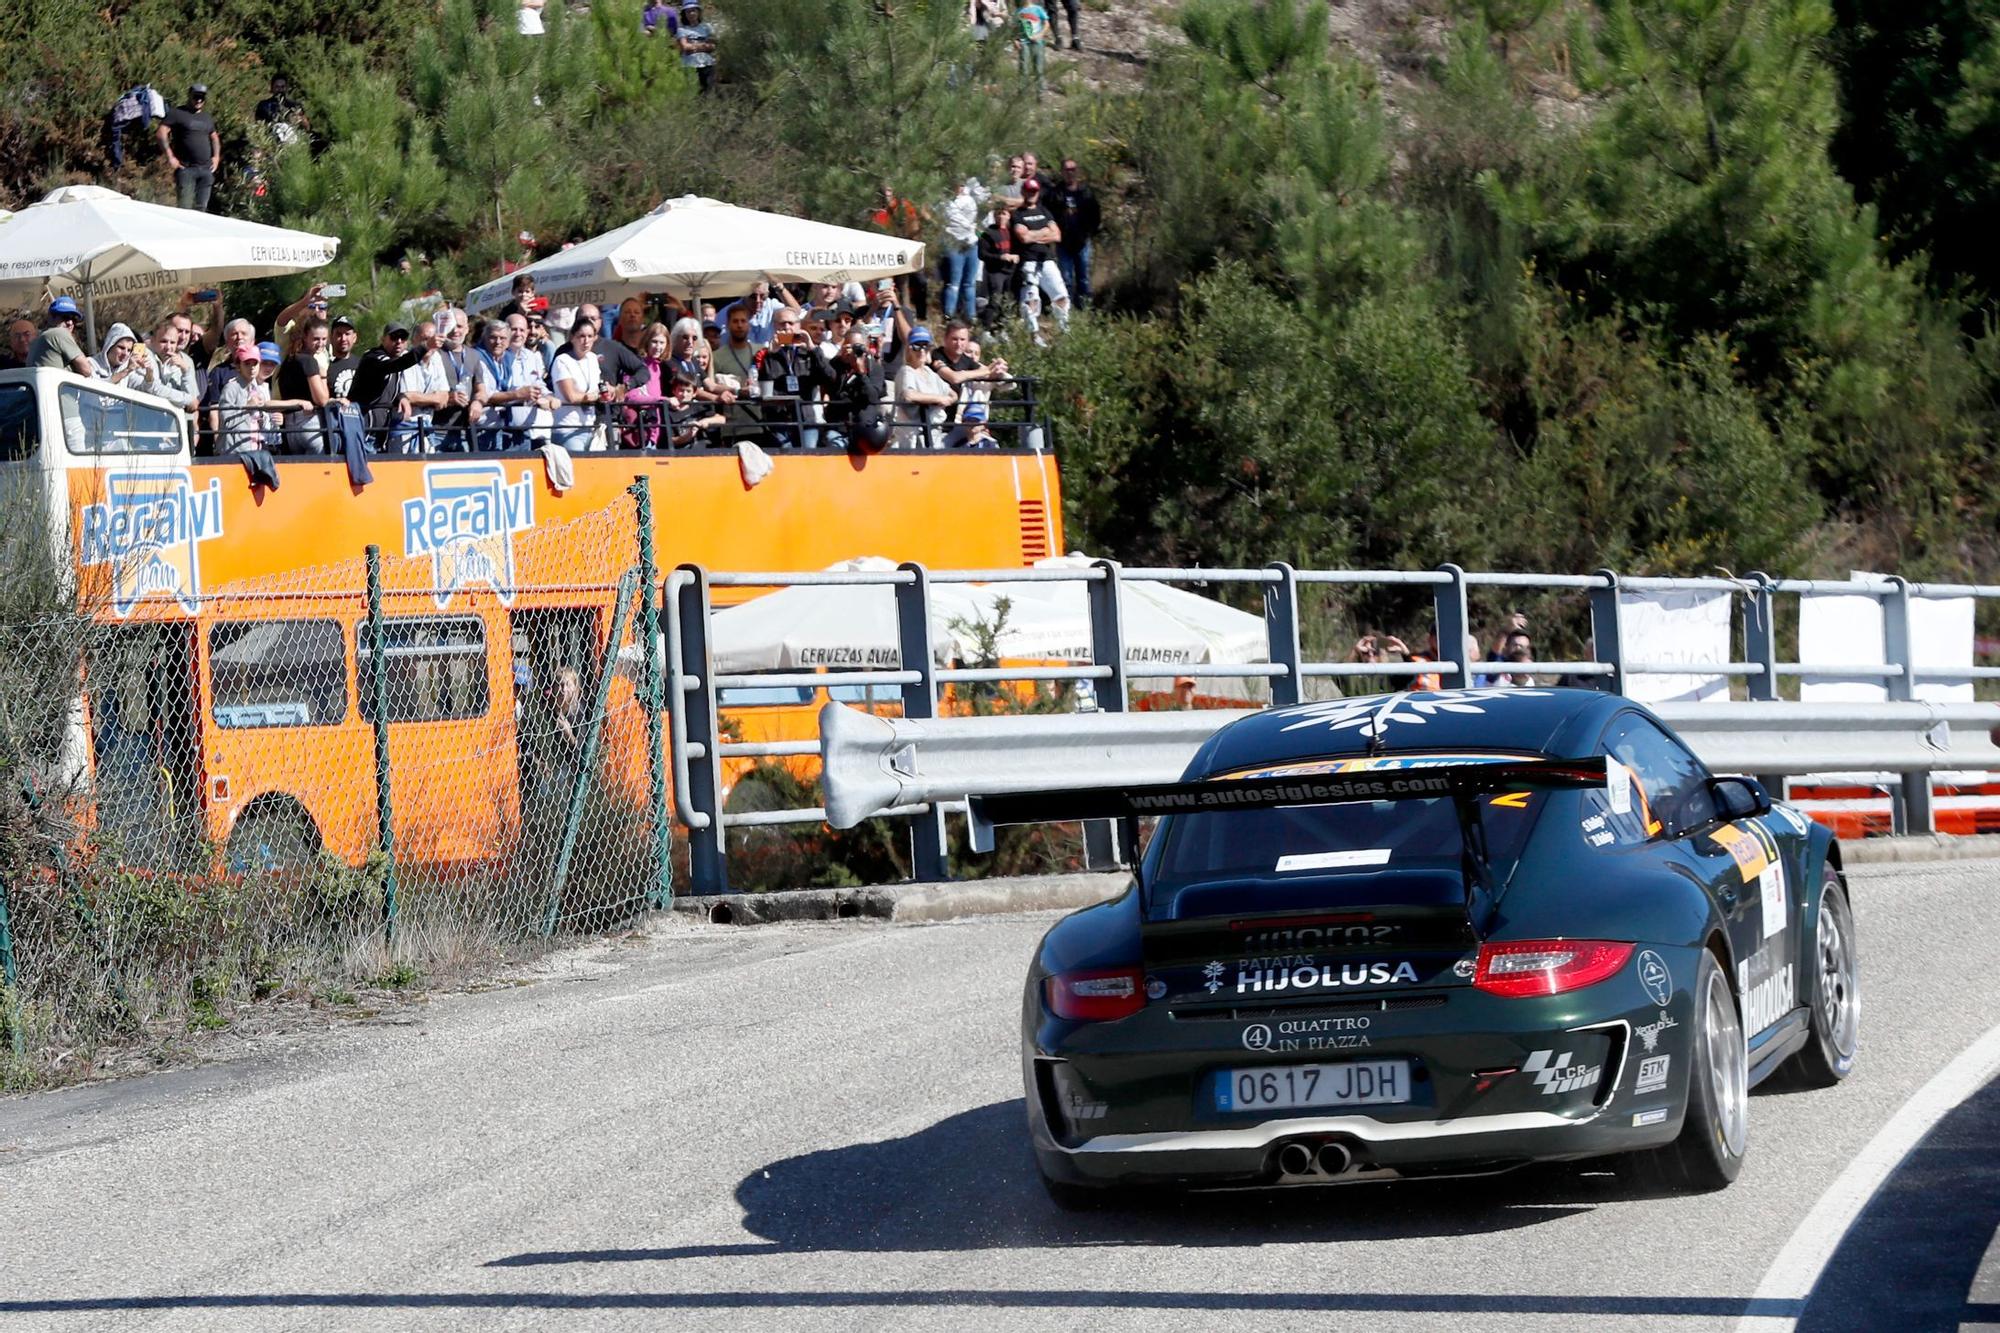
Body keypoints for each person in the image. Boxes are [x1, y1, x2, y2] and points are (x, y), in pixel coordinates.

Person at [472, 316, 555, 449]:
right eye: (514, 329)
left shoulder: (522, 357)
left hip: (523, 428)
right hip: (489, 427)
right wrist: (518, 394)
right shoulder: (480, 357)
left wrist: (548, 397)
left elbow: (538, 384)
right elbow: (488, 394)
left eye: (522, 330)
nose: (518, 334)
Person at [758, 305, 831, 447]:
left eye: (791, 323)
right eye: (782, 323)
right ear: (774, 327)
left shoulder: (809, 352)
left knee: (809, 458)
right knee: (785, 456)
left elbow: (829, 377)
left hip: (806, 417)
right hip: (779, 419)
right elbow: (764, 385)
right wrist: (771, 355)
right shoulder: (766, 354)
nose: (786, 327)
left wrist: (813, 348)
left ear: (799, 326)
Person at [1011, 179, 1071, 342]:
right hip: (1028, 262)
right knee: (1031, 300)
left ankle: (1064, 331)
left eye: (1034, 191)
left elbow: (1056, 235)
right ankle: (1034, 335)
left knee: (1061, 296)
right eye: (1028, 191)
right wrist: (1044, 232)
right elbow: (1023, 237)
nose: (1031, 194)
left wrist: (1034, 235)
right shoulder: (1017, 214)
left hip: (1047, 260)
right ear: (1023, 192)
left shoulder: (1044, 211)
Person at [348, 323, 425, 446]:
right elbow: (392, 366)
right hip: (364, 429)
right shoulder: (373, 357)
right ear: (383, 339)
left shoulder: (395, 359)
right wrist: (424, 348)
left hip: (382, 431)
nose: (399, 341)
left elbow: (388, 392)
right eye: (394, 337)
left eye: (403, 337)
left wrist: (401, 397)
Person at [822, 331, 890, 450]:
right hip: (839, 427)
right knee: (832, 446)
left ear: (867, 347)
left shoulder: (874, 367)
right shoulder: (836, 365)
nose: (855, 352)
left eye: (859, 347)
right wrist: (839, 358)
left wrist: (861, 374)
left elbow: (872, 397)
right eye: (851, 347)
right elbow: (832, 389)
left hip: (865, 431)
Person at [157, 84, 220, 212]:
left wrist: (216, 157)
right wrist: (170, 156)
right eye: (196, 97)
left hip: (206, 171)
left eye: (202, 98)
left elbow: (214, 137)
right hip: (186, 169)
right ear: (189, 96)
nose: (198, 100)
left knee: (201, 209)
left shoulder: (207, 118)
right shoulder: (177, 113)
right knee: (184, 209)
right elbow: (161, 132)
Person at [928, 319, 1008, 418]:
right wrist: (986, 370)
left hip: (958, 416)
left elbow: (986, 373)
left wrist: (997, 368)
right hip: (935, 414)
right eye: (954, 339)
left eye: (962, 339)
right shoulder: (937, 355)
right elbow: (954, 378)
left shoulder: (966, 360)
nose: (958, 344)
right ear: (945, 339)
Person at [1050, 158, 1101, 309]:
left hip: (1082, 241)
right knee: (1065, 277)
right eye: (1067, 169)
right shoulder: (1055, 193)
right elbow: (1050, 215)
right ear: (1062, 172)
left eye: (1073, 169)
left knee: (1083, 277)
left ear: (1077, 171)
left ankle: (1085, 308)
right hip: (1063, 242)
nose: (1070, 173)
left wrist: (1090, 232)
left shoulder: (1086, 193)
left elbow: (1096, 214)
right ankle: (1067, 309)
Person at [892, 326, 954, 449]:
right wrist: (939, 399)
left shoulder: (929, 372)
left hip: (933, 433)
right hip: (912, 438)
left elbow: (953, 394)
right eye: (916, 346)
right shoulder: (906, 371)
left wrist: (946, 400)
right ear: (909, 349)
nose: (921, 351)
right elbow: (909, 395)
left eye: (925, 346)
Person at [551, 318, 607, 451]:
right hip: (568, 428)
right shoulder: (562, 360)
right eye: (581, 336)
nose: (586, 341)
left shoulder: (593, 358)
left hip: (591, 426)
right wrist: (589, 397)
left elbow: (597, 388)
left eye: (590, 336)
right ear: (572, 338)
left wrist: (605, 393)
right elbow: (570, 396)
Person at [938, 178, 983, 322]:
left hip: (971, 244)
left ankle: (971, 316)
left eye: (963, 184)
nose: (961, 188)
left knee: (970, 283)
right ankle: (949, 315)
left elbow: (985, 198)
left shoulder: (970, 198)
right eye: (958, 185)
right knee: (953, 283)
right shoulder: (945, 202)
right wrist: (971, 226)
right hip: (955, 244)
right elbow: (954, 219)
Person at [977, 204, 1020, 331]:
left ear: (1009, 216)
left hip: (1010, 271)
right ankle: (985, 328)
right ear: (994, 216)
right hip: (995, 272)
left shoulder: (1012, 232)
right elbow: (982, 254)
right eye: (998, 214)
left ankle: (1003, 328)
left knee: (1008, 301)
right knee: (995, 300)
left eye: (1004, 214)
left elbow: (1019, 249)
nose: (1001, 216)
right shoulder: (988, 233)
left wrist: (1016, 256)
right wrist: (1000, 257)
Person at [28, 298, 96, 377]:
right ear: (51, 318)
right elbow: (87, 370)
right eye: (65, 317)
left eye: (74, 319)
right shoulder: (59, 333)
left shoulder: (36, 340)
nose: (70, 323)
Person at [148, 318, 202, 414]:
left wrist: (186, 371)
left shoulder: (181, 362)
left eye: (172, 342)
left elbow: (193, 402)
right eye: (163, 341)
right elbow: (153, 388)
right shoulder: (145, 356)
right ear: (152, 340)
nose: (168, 347)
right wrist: (187, 399)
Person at [93, 323, 163, 396]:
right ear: (110, 345)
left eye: (129, 350)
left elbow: (146, 390)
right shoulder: (91, 364)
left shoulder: (127, 372)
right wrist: (126, 371)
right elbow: (96, 388)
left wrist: (149, 373)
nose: (125, 353)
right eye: (121, 348)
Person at [253, 75, 310, 145]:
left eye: (282, 87)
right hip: (271, 144)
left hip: (292, 145)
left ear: (286, 88)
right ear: (272, 88)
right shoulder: (264, 105)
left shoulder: (295, 106)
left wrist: (299, 119)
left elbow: (307, 127)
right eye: (277, 87)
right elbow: (258, 126)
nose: (280, 90)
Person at [678, 2, 718, 94]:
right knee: (692, 92)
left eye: (693, 11)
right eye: (688, 12)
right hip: (689, 65)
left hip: (707, 63)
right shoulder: (682, 30)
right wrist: (703, 45)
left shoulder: (706, 27)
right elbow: (685, 47)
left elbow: (712, 46)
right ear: (685, 14)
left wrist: (694, 47)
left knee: (709, 92)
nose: (691, 14)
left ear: (698, 12)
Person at [1014, 0, 1051, 97]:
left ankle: (1040, 93)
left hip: (1037, 42)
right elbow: (1015, 27)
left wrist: (1040, 35)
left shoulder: (1038, 9)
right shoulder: (1018, 11)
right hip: (1024, 43)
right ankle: (1021, 93)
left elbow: (1047, 24)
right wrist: (1015, 40)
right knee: (1023, 68)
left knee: (1038, 68)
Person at [326, 316, 362, 401]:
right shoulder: (324, 364)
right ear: (331, 337)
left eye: (347, 334)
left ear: (354, 337)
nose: (343, 339)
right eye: (339, 334)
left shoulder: (362, 364)